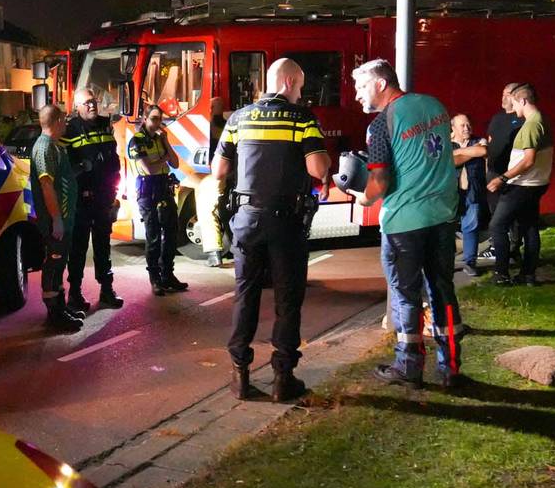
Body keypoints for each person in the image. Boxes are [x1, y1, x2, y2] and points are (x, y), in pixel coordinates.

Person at [215, 58, 331, 402]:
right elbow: (317, 168)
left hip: (246, 220)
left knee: (245, 295)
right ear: (290, 81)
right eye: (301, 86)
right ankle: (283, 378)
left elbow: (218, 169)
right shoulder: (302, 119)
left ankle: (239, 375)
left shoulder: (238, 118)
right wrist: (325, 163)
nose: (301, 93)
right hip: (285, 222)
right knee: (287, 299)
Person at [352, 59, 466, 388]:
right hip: (442, 216)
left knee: (406, 296)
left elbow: (379, 181)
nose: (358, 95)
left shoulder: (380, 125)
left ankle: (409, 365)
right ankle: (451, 367)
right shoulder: (435, 106)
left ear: (380, 84)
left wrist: (363, 198)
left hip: (404, 223)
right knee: (443, 290)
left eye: (361, 87)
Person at [62, 88, 123, 311]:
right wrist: (82, 168)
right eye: (87, 103)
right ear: (77, 107)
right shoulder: (70, 130)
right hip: (82, 200)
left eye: (94, 101)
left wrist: (113, 194)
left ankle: (107, 289)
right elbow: (66, 168)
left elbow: (113, 161)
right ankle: (75, 293)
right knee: (78, 248)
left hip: (104, 197)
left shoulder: (105, 126)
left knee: (103, 245)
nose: (92, 105)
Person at [486, 83, 552, 286]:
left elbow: (528, 160)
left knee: (497, 225)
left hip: (523, 184)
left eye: (514, 103)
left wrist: (503, 178)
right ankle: (528, 274)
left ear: (523, 101)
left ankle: (501, 274)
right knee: (529, 226)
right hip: (537, 183)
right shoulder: (542, 119)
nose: (513, 108)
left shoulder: (532, 124)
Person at [30, 105, 84, 331]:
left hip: (63, 217)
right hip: (55, 220)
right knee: (53, 264)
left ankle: (61, 307)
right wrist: (56, 219)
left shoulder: (53, 146)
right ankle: (54, 314)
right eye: (64, 120)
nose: (67, 125)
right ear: (58, 121)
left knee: (60, 262)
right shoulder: (44, 147)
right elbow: (46, 184)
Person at [128, 105, 188, 295]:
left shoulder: (160, 139)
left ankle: (167, 275)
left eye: (159, 119)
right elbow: (149, 169)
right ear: (144, 119)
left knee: (171, 232)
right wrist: (164, 158)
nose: (157, 123)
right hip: (148, 190)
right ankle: (155, 279)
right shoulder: (137, 140)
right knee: (153, 235)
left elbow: (175, 163)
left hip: (163, 187)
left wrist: (166, 142)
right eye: (153, 118)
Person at [480, 83, 524, 261]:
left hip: (512, 174)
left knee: (512, 214)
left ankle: (514, 247)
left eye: (507, 94)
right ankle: (497, 245)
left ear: (516, 97)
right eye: (502, 94)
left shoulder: (522, 120)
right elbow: (490, 143)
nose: (503, 97)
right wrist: (487, 170)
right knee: (495, 212)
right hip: (493, 172)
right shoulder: (497, 118)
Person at [451, 114, 488, 276]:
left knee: (471, 226)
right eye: (462, 126)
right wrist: (472, 152)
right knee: (447, 229)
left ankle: (470, 262)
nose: (467, 128)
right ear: (453, 128)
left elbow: (483, 150)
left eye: (468, 124)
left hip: (473, 191)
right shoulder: (445, 143)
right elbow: (452, 161)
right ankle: (447, 263)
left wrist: (459, 152)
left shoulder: (479, 140)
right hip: (451, 193)